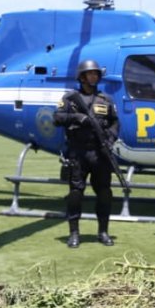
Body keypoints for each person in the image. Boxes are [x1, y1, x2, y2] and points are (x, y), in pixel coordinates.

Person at [54, 59, 120, 248]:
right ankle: (74, 233)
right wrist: (77, 117)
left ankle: (103, 232)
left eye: (96, 74)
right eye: (90, 74)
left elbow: (115, 122)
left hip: (100, 153)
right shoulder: (70, 98)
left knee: (105, 193)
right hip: (78, 152)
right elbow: (57, 117)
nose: (94, 77)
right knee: (76, 193)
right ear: (82, 76)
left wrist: (111, 139)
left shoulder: (106, 99)